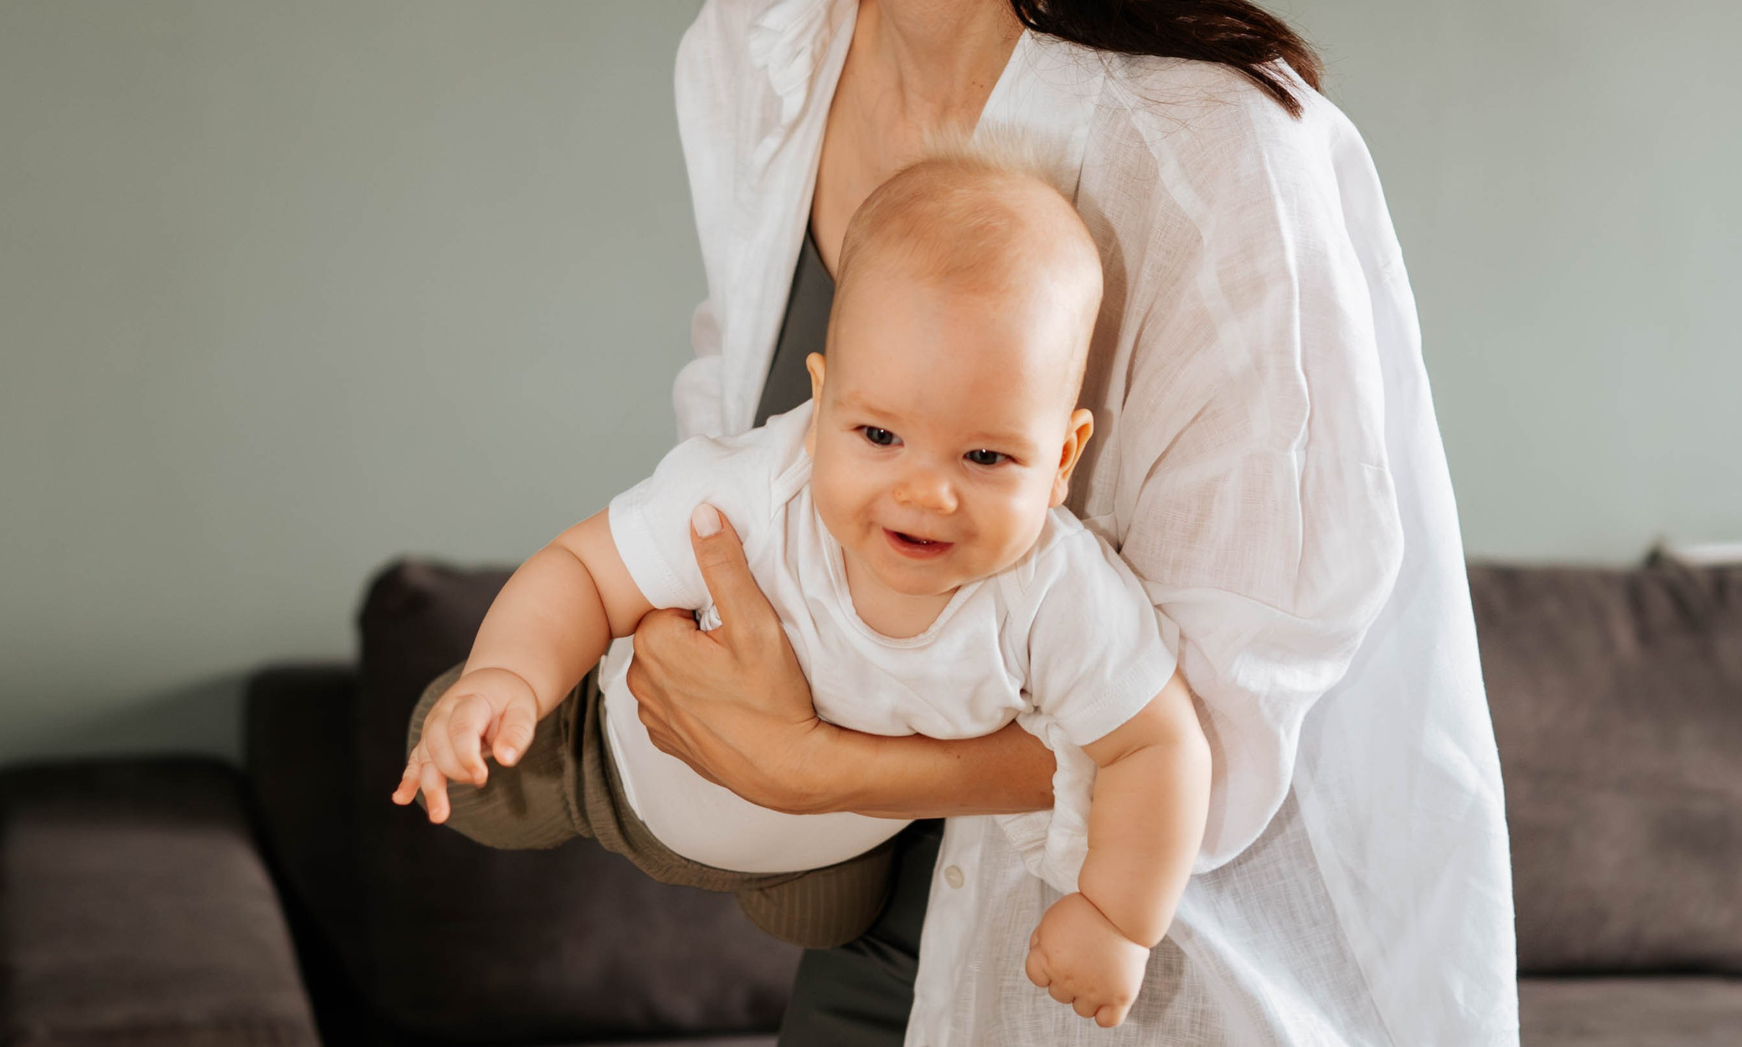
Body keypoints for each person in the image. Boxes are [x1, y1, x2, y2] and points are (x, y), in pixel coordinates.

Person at [616, 0, 1518, 1044]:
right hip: (857, 955)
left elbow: (1224, 719)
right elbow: (743, 436)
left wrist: (831, 763)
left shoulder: (1228, 146)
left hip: (1136, 968)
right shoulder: (753, 52)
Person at [396, 153, 1212, 1028]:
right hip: (617, 761)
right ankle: (495, 726)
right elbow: (585, 571)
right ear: (820, 407)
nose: (926, 493)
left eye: (985, 456)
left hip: (821, 861)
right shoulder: (755, 492)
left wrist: (1118, 917)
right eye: (879, 433)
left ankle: (784, 880)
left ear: (1062, 459)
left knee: (832, 916)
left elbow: (1159, 747)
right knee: (477, 769)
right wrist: (510, 677)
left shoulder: (1057, 595)